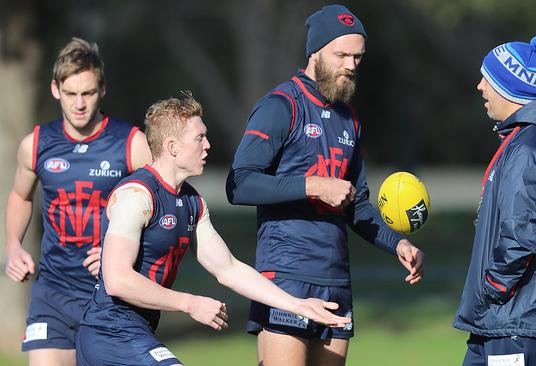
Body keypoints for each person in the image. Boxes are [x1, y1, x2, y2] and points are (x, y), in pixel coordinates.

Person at [75, 92, 351, 366]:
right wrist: (191, 303)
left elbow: (228, 268)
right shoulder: (138, 195)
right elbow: (117, 279)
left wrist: (298, 305)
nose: (208, 145)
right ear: (172, 147)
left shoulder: (192, 202)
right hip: (108, 334)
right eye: (199, 138)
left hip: (136, 333)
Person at [226, 5, 424, 366]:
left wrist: (398, 243)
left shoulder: (349, 119)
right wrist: (312, 186)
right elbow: (239, 183)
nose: (350, 65)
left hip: (335, 280)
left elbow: (358, 204)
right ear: (315, 51)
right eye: (341, 54)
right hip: (284, 277)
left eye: (357, 57)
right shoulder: (280, 105)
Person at [4, 37, 152, 365]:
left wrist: (127, 252)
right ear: (55, 89)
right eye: (70, 94)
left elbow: (160, 207)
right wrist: (14, 245)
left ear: (102, 90)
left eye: (87, 93)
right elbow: (19, 196)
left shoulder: (131, 144)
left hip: (111, 294)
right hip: (52, 291)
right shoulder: (36, 144)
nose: (79, 104)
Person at [453, 34, 536, 366]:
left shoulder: (530, 147)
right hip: (496, 322)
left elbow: (522, 232)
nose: (479, 87)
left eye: (487, 79)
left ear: (510, 88)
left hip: (514, 321)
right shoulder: (523, 140)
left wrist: (492, 288)